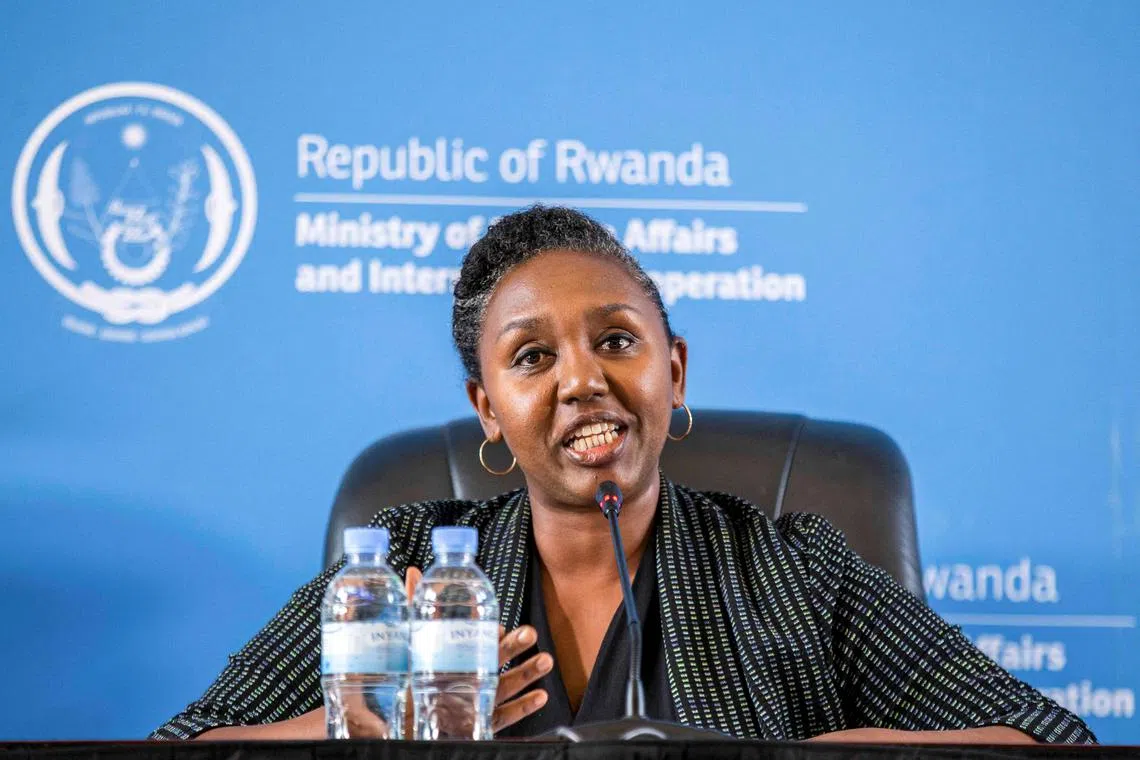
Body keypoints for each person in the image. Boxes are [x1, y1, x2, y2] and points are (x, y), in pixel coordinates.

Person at [153, 206, 1095, 744]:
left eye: (615, 341)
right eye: (532, 358)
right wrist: (353, 725)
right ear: (488, 409)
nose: (582, 381)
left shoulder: (794, 570)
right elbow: (182, 746)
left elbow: (1045, 736)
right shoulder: (402, 563)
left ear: (672, 372)